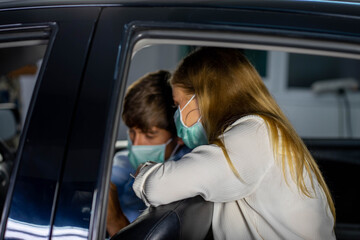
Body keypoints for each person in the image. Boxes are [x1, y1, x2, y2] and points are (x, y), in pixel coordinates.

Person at [133, 47, 336, 239]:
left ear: (205, 98)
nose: (176, 114)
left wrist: (145, 169)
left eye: (178, 104)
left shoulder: (254, 134)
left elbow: (158, 186)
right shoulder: (264, 131)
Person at [106, 70, 191, 236]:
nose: (135, 143)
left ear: (179, 135)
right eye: (132, 131)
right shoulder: (124, 160)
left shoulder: (189, 174)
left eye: (149, 135)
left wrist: (116, 221)